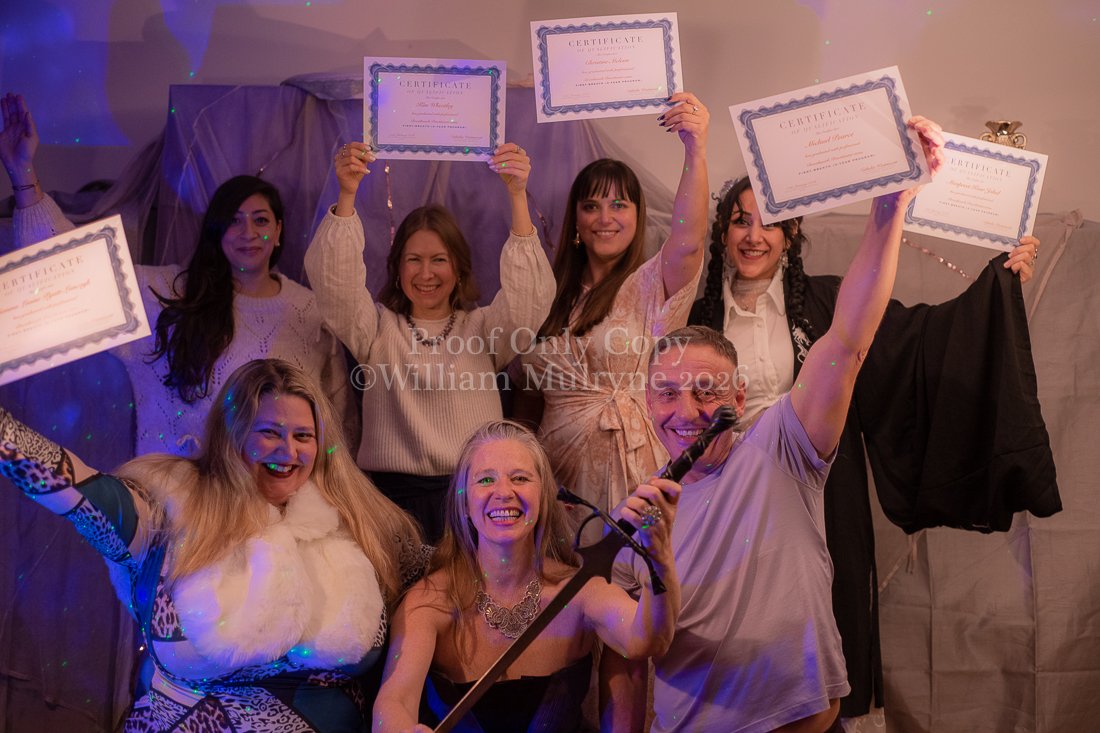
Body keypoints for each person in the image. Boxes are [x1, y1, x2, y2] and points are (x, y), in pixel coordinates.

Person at [607, 117, 947, 733]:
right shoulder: (642, 511)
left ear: (739, 395)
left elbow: (848, 340)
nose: (686, 411)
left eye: (707, 390)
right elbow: (631, 654)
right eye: (667, 392)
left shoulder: (781, 447)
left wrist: (891, 206)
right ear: (646, 401)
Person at [688, 176, 1057, 718]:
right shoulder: (696, 316)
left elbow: (916, 341)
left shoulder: (829, 302)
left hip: (817, 500)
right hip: (723, 504)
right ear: (722, 231)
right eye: (740, 221)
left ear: (791, 234)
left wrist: (997, 283)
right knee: (726, 644)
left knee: (817, 637)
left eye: (770, 223)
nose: (753, 236)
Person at [0, 358, 428, 730]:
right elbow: (71, 486)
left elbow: (449, 583)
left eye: (303, 436)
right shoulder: (165, 512)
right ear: (233, 434)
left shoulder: (360, 522)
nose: (288, 451)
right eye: (269, 432)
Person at [0, 92, 356, 459]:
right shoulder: (167, 295)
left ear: (279, 231)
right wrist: (22, 172)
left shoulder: (310, 312)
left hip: (280, 491)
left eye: (261, 220)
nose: (248, 233)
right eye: (234, 221)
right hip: (177, 490)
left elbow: (338, 425)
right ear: (216, 231)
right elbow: (69, 269)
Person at [304, 140, 553, 543]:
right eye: (413, 260)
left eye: (438, 259)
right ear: (397, 268)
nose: (426, 273)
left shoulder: (484, 329)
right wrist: (347, 192)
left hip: (472, 502)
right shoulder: (375, 328)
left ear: (459, 268)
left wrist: (517, 194)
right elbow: (335, 283)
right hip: (391, 505)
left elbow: (529, 301)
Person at [371, 419, 681, 733]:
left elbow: (649, 640)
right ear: (464, 502)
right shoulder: (429, 602)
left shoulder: (580, 591)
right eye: (486, 480)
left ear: (543, 497)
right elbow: (395, 701)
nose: (503, 492)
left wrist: (660, 558)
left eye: (520, 478)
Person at [519, 92, 710, 520]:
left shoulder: (653, 285)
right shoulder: (548, 293)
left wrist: (695, 149)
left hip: (633, 478)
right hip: (555, 483)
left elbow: (689, 239)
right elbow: (526, 403)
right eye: (592, 206)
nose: (605, 217)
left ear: (638, 216)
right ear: (576, 220)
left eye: (619, 204)